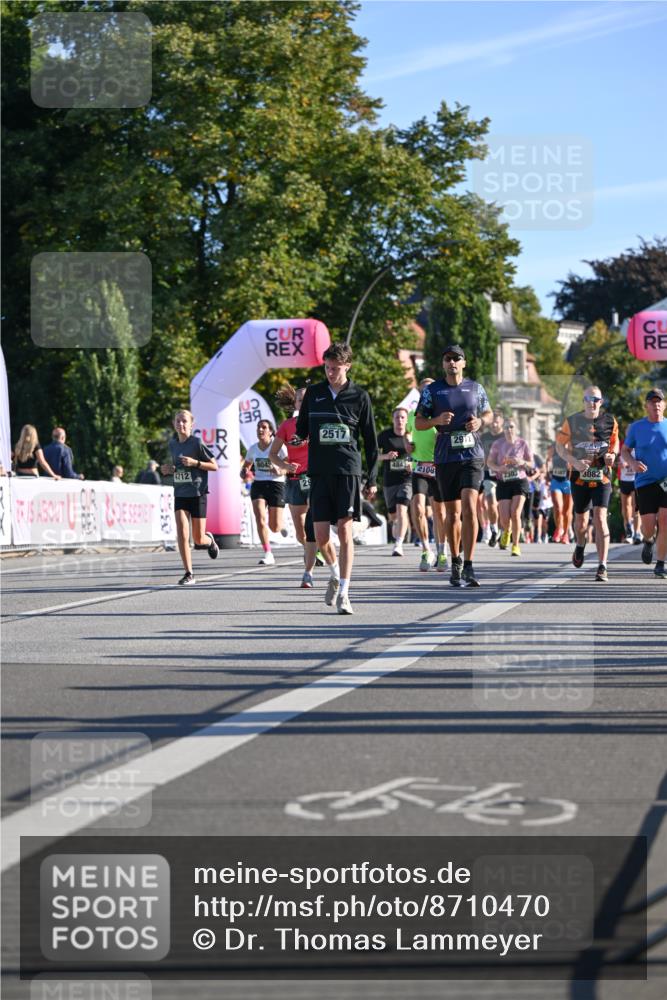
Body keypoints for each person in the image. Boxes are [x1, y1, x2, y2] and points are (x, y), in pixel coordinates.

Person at [296, 341, 378, 615]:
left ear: (347, 366)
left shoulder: (360, 396)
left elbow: (370, 440)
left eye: (335, 368)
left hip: (347, 471)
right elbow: (303, 428)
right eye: (327, 368)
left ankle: (344, 591)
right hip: (319, 471)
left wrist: (373, 478)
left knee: (344, 532)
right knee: (320, 537)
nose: (330, 373)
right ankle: (333, 573)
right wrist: (298, 435)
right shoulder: (315, 393)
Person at [415, 344, 492, 588]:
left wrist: (480, 421)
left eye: (457, 359)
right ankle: (455, 559)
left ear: (464, 363)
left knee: (470, 508)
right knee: (452, 514)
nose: (452, 363)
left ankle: (469, 564)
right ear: (443, 364)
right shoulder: (432, 391)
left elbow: (489, 413)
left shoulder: (475, 388)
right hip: (446, 455)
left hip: (472, 454)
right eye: (448, 359)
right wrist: (436, 420)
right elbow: (418, 423)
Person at [269, 384, 335, 588]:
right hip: (295, 480)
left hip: (314, 477)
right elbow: (273, 453)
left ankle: (309, 573)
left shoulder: (320, 423)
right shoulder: (287, 425)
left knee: (315, 525)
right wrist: (285, 465)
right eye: (299, 400)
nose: (302, 402)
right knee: (301, 533)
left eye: (306, 399)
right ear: (295, 403)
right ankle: (313, 551)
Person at [556, 386, 619, 582]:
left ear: (601, 402)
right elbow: (559, 446)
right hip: (579, 478)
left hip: (602, 478)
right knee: (581, 524)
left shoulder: (610, 421)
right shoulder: (572, 421)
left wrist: (612, 455)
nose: (592, 402)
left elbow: (615, 443)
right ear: (583, 401)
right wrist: (574, 462)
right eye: (588, 399)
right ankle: (581, 545)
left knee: (600, 519)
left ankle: (602, 566)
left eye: (596, 399)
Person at [160, 409, 219, 585]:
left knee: (199, 539)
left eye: (184, 421)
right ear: (174, 424)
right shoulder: (173, 444)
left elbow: (214, 466)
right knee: (182, 534)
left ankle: (210, 542)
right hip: (180, 493)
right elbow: (177, 468)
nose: (181, 424)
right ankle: (189, 573)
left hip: (197, 493)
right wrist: (169, 470)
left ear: (191, 424)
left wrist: (196, 463)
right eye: (178, 421)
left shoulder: (197, 443)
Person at [621, 388, 667, 579]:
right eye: (652, 402)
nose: (656, 405)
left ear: (664, 405)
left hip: (665, 481)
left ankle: (660, 563)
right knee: (649, 526)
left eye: (659, 402)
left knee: (665, 520)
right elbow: (624, 451)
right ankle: (648, 541)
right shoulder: (636, 428)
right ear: (646, 406)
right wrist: (632, 463)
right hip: (645, 481)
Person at [407, 378, 448, 572]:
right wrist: (407, 443)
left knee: (439, 512)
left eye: (428, 390)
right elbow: (407, 432)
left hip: (438, 467)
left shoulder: (440, 415)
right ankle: (426, 549)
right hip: (419, 467)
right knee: (418, 508)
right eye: (422, 390)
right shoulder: (413, 414)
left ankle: (442, 550)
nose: (425, 393)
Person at [242, 420, 287, 566]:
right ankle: (268, 552)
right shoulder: (253, 449)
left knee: (274, 527)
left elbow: (288, 464)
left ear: (271, 431)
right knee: (260, 517)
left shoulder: (279, 446)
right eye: (258, 428)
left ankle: (281, 525)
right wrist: (244, 471)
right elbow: (247, 465)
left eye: (264, 427)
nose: (260, 430)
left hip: (276, 484)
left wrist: (280, 470)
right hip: (259, 484)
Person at [487, 417, 533, 557]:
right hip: (504, 481)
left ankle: (516, 545)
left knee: (515, 513)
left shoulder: (523, 443)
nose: (509, 430)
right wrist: (499, 468)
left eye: (511, 427)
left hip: (520, 480)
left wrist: (522, 461)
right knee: (504, 518)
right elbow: (489, 462)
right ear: (503, 429)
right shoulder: (497, 444)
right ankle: (506, 531)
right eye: (506, 427)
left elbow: (531, 464)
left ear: (516, 429)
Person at [378, 407, 414, 557]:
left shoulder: (411, 436)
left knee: (402, 510)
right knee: (393, 516)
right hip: (390, 481)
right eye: (397, 417)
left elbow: (420, 454)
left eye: (402, 417)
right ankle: (396, 528)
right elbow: (374, 456)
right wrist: (386, 456)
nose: (400, 420)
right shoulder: (385, 436)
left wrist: (413, 463)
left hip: (407, 480)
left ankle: (398, 544)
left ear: (406, 420)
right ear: (393, 419)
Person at [479, 410, 505, 547]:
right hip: (488, 474)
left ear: (502, 422)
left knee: (504, 506)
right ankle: (494, 529)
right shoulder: (484, 437)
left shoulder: (506, 437)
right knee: (491, 502)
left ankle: (503, 530)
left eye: (497, 421)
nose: (494, 424)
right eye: (492, 421)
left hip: (505, 475)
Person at [547, 442, 572, 543]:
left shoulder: (572, 448)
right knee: (558, 507)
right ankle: (559, 528)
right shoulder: (554, 447)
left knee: (567, 511)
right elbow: (548, 460)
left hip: (568, 482)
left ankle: (566, 534)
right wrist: (548, 469)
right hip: (556, 481)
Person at [616, 444, 640, 543]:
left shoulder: (639, 443)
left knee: (636, 507)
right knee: (625, 507)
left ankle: (637, 533)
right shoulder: (622, 445)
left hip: (635, 480)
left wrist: (630, 463)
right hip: (623, 480)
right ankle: (629, 530)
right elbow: (614, 461)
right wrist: (618, 464)